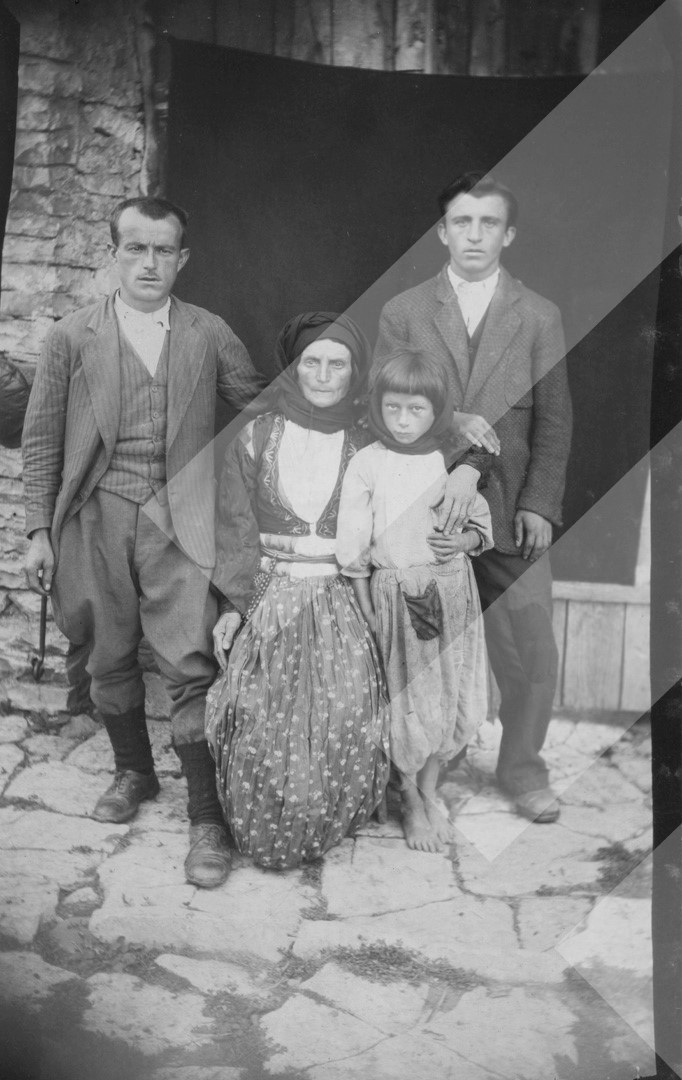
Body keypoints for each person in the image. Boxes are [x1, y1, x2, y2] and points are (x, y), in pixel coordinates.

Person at [22, 196, 268, 887]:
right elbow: (41, 441)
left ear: (182, 258)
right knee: (108, 653)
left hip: (180, 519)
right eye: (135, 248)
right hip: (95, 517)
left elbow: (261, 407)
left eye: (163, 250)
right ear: (114, 254)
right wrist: (39, 532)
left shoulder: (207, 332)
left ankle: (207, 816)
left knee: (190, 659)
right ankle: (134, 772)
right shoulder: (72, 336)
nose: (149, 263)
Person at [374, 173, 572, 823]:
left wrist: (540, 502)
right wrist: (450, 418)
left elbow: (555, 419)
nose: (475, 235)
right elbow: (381, 406)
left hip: (510, 508)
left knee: (530, 645)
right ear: (443, 232)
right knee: (419, 639)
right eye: (463, 222)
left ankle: (522, 768)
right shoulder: (405, 312)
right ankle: (414, 767)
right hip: (426, 509)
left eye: (489, 223)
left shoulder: (538, 315)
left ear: (508, 235)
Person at [206, 311, 390, 870]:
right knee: (258, 713)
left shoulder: (371, 440)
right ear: (292, 366)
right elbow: (235, 529)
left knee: (344, 709)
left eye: (338, 364)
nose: (324, 375)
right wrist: (232, 606)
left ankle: (322, 815)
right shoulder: (256, 434)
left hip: (342, 595)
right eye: (311, 362)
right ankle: (270, 819)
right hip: (272, 591)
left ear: (355, 371)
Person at [336, 348, 493, 852]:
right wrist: (365, 601)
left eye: (417, 409)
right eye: (394, 408)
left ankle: (429, 791)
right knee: (409, 698)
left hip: (453, 591)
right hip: (399, 596)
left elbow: (478, 524)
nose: (403, 421)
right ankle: (407, 795)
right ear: (378, 407)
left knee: (448, 692)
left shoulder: (448, 461)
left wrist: (463, 540)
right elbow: (354, 542)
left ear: (436, 411)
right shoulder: (368, 462)